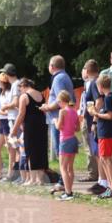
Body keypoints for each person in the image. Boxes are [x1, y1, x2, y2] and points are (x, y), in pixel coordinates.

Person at [40, 55, 74, 192]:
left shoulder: (59, 78)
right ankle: (65, 182)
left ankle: (62, 182)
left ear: (52, 66)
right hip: (62, 118)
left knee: (61, 151)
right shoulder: (64, 76)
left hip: (59, 119)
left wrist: (47, 107)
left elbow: (61, 98)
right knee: (62, 151)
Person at [11, 78, 48, 186]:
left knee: (30, 152)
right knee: (41, 150)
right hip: (41, 125)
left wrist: (13, 130)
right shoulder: (41, 94)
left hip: (30, 126)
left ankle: (32, 179)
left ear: (23, 86)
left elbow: (21, 115)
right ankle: (40, 179)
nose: (20, 91)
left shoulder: (24, 96)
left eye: (20, 89)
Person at [92, 74, 112, 198]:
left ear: (100, 86)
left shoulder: (109, 98)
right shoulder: (108, 97)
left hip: (107, 133)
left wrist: (95, 114)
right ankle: (110, 186)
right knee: (104, 158)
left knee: (106, 158)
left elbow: (110, 116)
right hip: (105, 132)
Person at [80, 60, 101, 188]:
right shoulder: (96, 82)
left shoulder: (93, 83)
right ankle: (98, 174)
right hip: (91, 119)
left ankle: (95, 174)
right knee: (94, 148)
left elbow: (98, 102)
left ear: (86, 71)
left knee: (92, 148)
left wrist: (94, 118)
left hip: (91, 120)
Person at [55, 90, 79, 200]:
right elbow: (77, 128)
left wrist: (55, 121)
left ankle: (68, 192)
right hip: (73, 139)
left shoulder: (62, 111)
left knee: (63, 168)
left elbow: (59, 126)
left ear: (61, 101)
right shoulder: (74, 111)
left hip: (65, 140)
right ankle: (69, 190)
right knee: (70, 168)